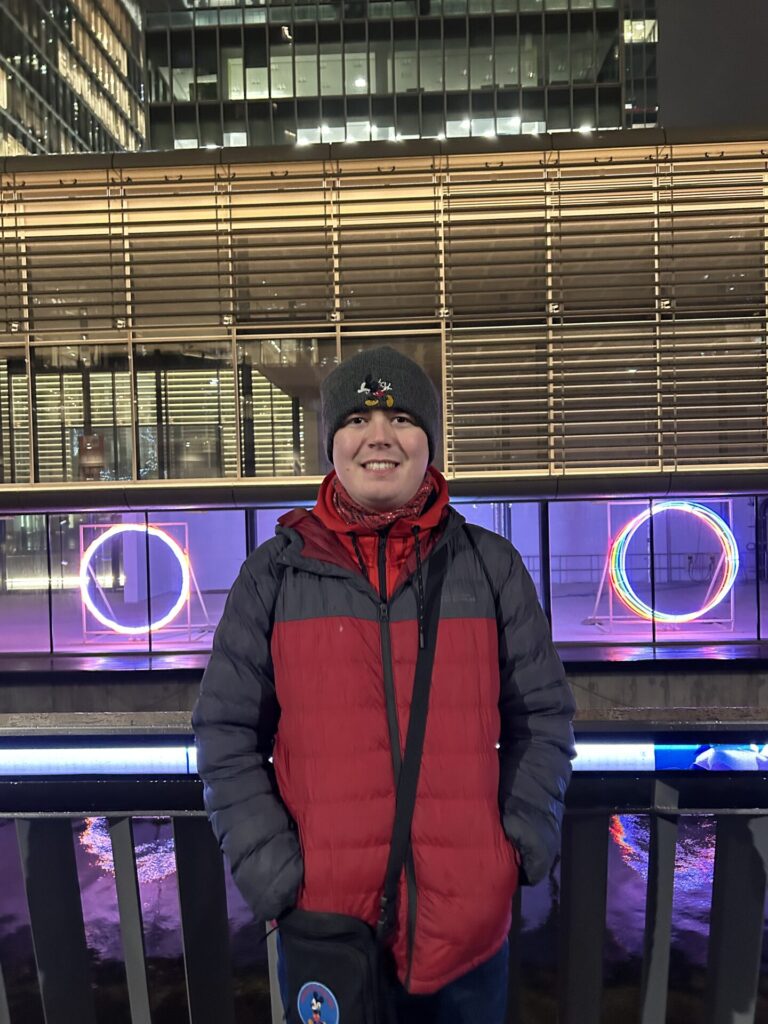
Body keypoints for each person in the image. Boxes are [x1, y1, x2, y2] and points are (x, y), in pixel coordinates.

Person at [192, 346, 575, 1023]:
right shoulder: (274, 575)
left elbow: (543, 718)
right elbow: (225, 734)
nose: (379, 437)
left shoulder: (490, 567)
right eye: (357, 419)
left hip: (467, 931)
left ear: (429, 442)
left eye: (401, 418)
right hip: (325, 927)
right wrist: (276, 875)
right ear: (331, 443)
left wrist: (515, 846)